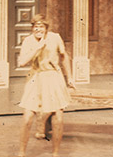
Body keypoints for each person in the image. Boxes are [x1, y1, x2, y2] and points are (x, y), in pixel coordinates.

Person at [17, 14, 75, 157]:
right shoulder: (28, 41)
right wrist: (37, 47)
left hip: (53, 77)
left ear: (46, 28)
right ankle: (21, 152)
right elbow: (22, 62)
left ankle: (55, 153)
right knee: (27, 118)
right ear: (32, 28)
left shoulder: (55, 38)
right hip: (35, 78)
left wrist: (70, 77)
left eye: (41, 26)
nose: (38, 29)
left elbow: (64, 56)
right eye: (35, 26)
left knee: (58, 118)